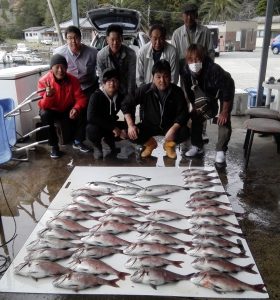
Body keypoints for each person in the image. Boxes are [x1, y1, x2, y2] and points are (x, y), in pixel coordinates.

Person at [122, 59, 189, 159]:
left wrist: (173, 129)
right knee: (129, 133)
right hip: (149, 125)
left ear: (170, 77)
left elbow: (183, 113)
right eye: (158, 77)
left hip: (169, 126)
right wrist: (131, 125)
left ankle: (168, 145)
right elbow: (126, 104)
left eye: (165, 76)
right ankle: (150, 144)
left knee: (185, 131)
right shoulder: (145, 90)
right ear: (153, 77)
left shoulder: (177, 91)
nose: (162, 80)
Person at [182, 44, 235, 164]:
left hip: (224, 90)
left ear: (203, 58)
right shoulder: (185, 70)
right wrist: (194, 107)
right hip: (206, 92)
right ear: (187, 60)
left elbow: (227, 89)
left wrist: (224, 111)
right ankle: (197, 146)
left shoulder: (214, 69)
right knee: (196, 116)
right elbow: (189, 92)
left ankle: (221, 150)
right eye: (191, 60)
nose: (194, 63)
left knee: (223, 119)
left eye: (197, 59)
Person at [171, 3, 214, 143]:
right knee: (185, 101)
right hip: (185, 75)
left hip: (202, 73)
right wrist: (176, 78)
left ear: (196, 15)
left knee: (202, 101)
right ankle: (185, 128)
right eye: (186, 14)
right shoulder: (177, 33)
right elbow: (174, 56)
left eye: (192, 14)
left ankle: (202, 131)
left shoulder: (205, 31)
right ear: (182, 16)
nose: (189, 17)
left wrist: (207, 71)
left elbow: (211, 53)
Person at [54, 25, 98, 152]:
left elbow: (100, 69)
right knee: (68, 110)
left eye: (76, 38)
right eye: (69, 38)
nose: (73, 41)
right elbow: (54, 73)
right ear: (66, 39)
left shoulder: (92, 52)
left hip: (88, 86)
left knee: (87, 109)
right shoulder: (59, 53)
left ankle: (79, 140)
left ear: (81, 38)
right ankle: (70, 137)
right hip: (69, 88)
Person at [37, 54, 87, 159]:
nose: (60, 70)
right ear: (51, 69)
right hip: (52, 109)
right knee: (44, 114)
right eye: (57, 67)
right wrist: (48, 95)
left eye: (63, 67)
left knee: (83, 110)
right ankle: (54, 146)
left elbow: (81, 98)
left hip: (67, 108)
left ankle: (78, 141)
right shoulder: (43, 81)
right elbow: (42, 105)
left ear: (66, 67)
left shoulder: (73, 80)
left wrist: (76, 108)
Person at [86, 68, 127, 159]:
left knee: (128, 129)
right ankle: (98, 147)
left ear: (118, 83)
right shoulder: (95, 96)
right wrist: (113, 128)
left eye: (115, 80)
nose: (112, 83)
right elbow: (90, 117)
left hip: (111, 124)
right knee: (91, 129)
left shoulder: (121, 96)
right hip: (100, 125)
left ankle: (111, 144)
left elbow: (126, 112)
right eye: (108, 81)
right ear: (103, 83)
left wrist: (124, 128)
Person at [96, 24, 137, 96]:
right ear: (107, 40)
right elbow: (101, 78)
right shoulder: (101, 55)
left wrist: (130, 96)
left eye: (118, 39)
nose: (115, 43)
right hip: (109, 90)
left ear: (122, 39)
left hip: (125, 90)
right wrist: (105, 95)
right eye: (112, 39)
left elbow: (132, 77)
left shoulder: (131, 54)